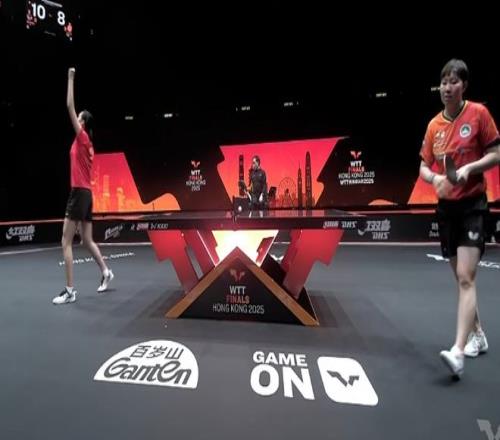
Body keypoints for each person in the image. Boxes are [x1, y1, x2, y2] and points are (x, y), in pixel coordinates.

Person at [419, 59, 500, 377]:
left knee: (466, 277)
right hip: (446, 210)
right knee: (461, 278)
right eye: (443, 82)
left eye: (453, 82)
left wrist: (469, 169)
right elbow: (423, 166)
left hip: (472, 206)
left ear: (463, 86)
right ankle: (478, 334)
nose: (447, 87)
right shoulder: (433, 126)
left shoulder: (478, 114)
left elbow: (496, 154)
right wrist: (434, 179)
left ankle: (458, 351)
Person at [53, 67, 114, 305]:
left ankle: (69, 291)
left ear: (83, 123)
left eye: (79, 118)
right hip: (87, 194)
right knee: (86, 240)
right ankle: (106, 272)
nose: (75, 119)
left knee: (65, 241)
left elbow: (69, 105)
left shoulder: (82, 137)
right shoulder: (88, 145)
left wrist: (70, 78)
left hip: (79, 193)